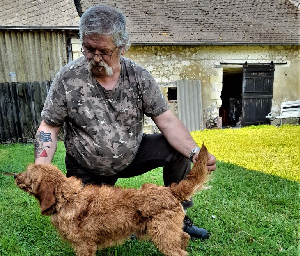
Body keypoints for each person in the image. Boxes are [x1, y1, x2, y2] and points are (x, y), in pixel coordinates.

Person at [34, 5, 216, 239]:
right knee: (87, 226)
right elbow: (49, 127)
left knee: (176, 150)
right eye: (89, 49)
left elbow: (167, 121)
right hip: (86, 167)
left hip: (131, 155)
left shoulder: (138, 77)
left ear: (121, 47)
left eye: (104, 51)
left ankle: (177, 216)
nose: (96, 58)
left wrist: (194, 153)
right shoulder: (68, 78)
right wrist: (41, 170)